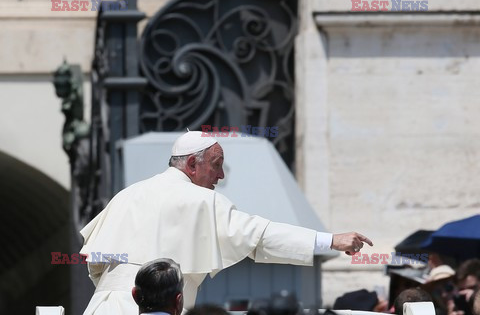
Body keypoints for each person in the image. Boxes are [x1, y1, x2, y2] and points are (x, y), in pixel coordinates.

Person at [80, 131, 373, 314]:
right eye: (217, 165)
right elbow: (260, 236)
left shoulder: (126, 194)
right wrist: (330, 240)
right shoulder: (201, 200)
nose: (220, 177)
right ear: (193, 165)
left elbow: (95, 266)